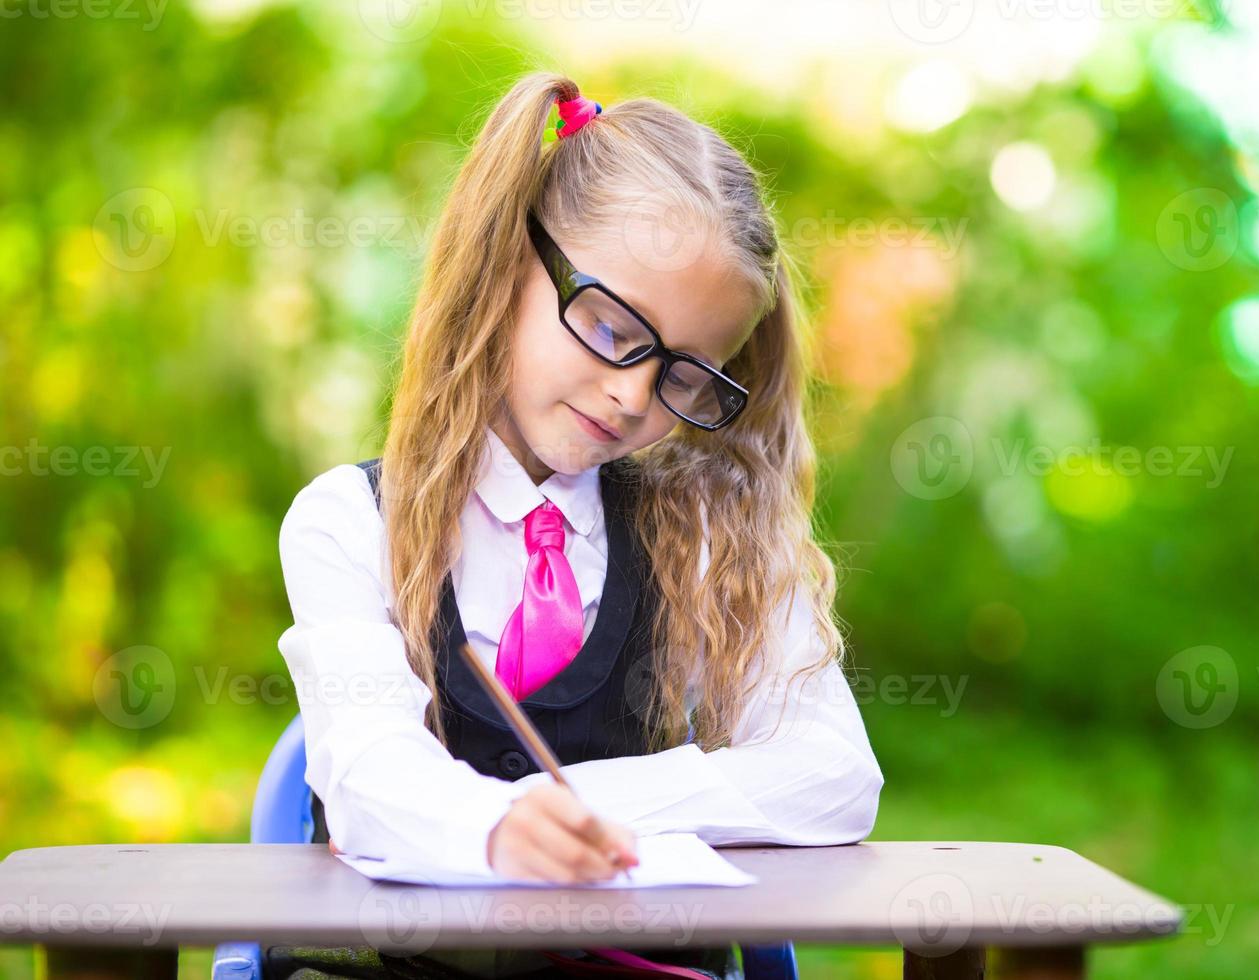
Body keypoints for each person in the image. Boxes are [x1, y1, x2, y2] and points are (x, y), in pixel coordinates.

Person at [274, 71, 884, 979]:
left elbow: (833, 773)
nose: (634, 394)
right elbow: (367, 777)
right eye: (609, 326)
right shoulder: (350, 523)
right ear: (507, 264)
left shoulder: (709, 533)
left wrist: (600, 806)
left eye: (685, 375)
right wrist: (498, 828)